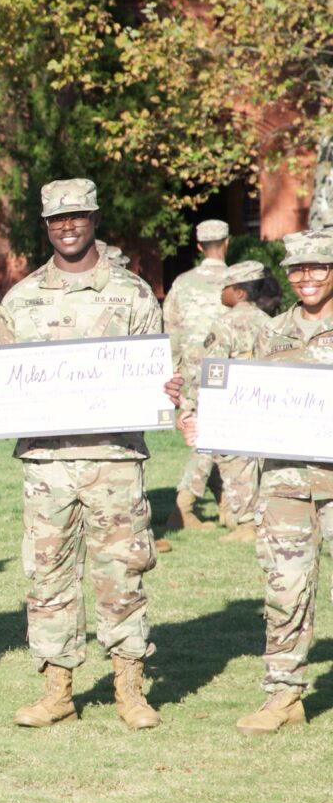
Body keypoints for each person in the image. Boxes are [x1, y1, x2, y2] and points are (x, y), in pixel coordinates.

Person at [0, 179, 177, 730]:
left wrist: (167, 388)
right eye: (57, 219)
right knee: (47, 577)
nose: (68, 226)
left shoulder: (133, 294)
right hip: (46, 466)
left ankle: (129, 689)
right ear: (46, 225)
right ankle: (57, 691)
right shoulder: (22, 298)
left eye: (77, 216)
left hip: (114, 460)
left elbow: (156, 373)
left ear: (95, 219)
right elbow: (0, 376)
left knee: (122, 573)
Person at [181, 231, 333, 734]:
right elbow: (238, 395)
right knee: (284, 590)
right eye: (297, 269)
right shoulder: (273, 332)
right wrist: (199, 414)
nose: (307, 278)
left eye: (318, 267)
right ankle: (283, 696)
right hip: (286, 484)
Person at [193, 261, 272, 544]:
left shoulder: (225, 323)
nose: (220, 292)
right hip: (263, 402)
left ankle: (247, 523)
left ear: (239, 292)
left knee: (235, 463)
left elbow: (213, 367)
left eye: (225, 287)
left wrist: (200, 404)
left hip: (232, 404)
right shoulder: (268, 321)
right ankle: (257, 518)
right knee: (258, 463)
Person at [163, 220, 231, 530]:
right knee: (210, 438)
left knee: (214, 436)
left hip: (192, 372)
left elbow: (171, 332)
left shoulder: (182, 283)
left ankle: (227, 505)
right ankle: (184, 505)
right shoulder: (237, 281)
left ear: (200, 246)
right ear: (227, 242)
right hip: (228, 370)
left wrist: (174, 373)